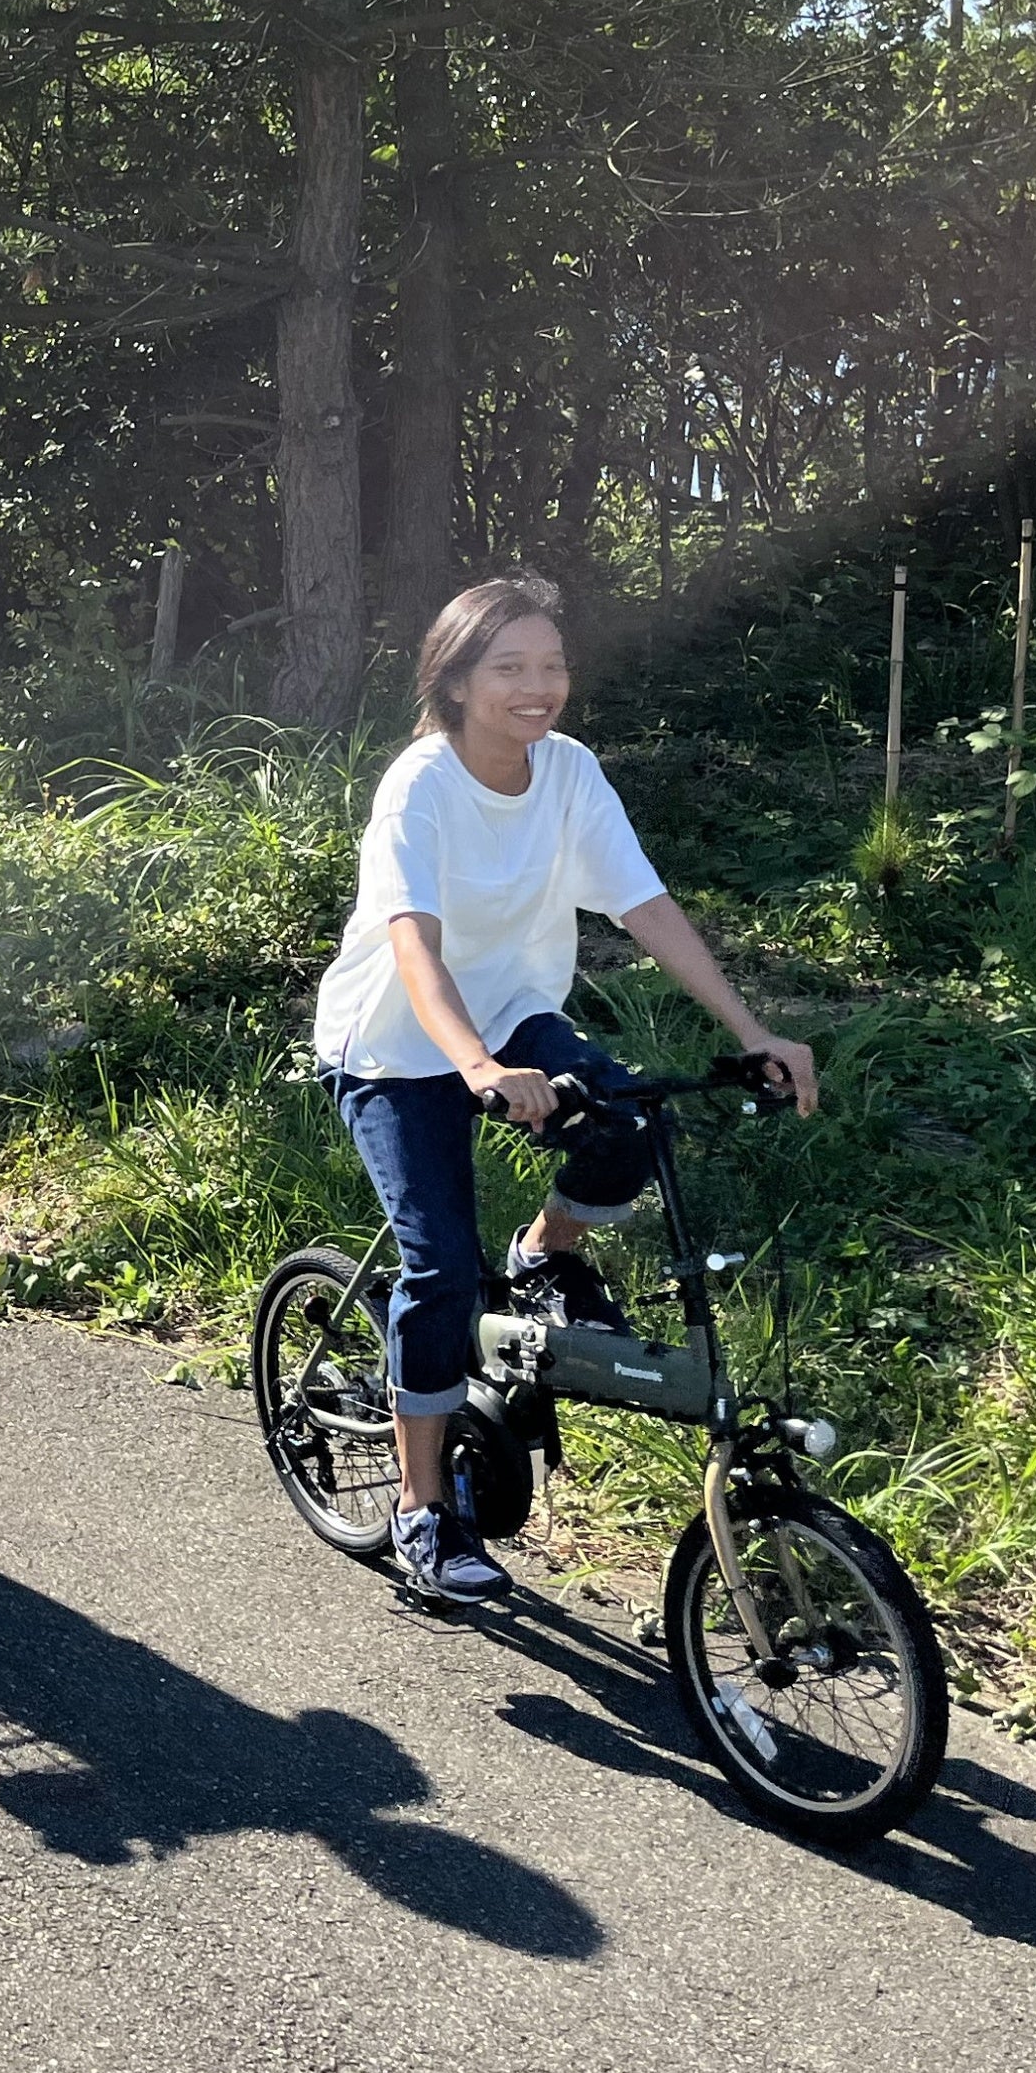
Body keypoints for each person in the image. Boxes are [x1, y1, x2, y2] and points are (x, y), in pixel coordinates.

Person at [309, 572, 819, 1607]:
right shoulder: (422, 785)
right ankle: (419, 1509)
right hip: (398, 1047)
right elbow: (413, 943)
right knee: (440, 1271)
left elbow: (647, 906)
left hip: (512, 1023)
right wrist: (479, 1068)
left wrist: (755, 1031)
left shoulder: (571, 773)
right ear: (454, 681)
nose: (538, 688)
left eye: (552, 666)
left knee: (628, 1123)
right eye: (510, 669)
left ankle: (543, 1254)